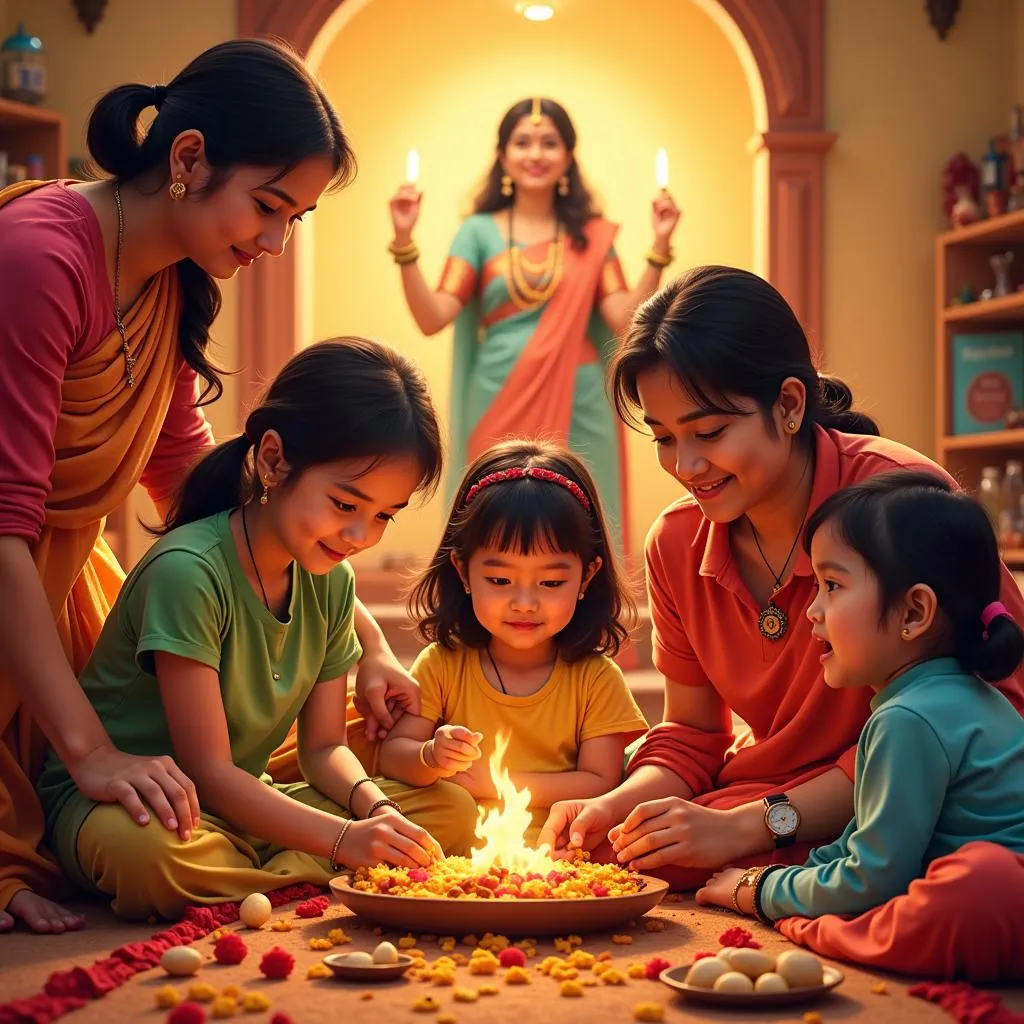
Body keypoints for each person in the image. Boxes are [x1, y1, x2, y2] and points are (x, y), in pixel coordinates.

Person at [0, 39, 407, 935]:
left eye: (293, 219)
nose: (273, 241)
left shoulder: (168, 281)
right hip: (11, 578)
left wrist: (367, 641)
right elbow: (3, 527)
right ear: (188, 157)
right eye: (267, 206)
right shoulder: (40, 257)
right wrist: (93, 750)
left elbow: (199, 477)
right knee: (127, 822)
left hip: (54, 585)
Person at [538, 265, 1024, 888]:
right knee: (636, 846)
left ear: (789, 404)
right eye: (663, 438)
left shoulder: (898, 500)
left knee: (958, 882)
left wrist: (748, 828)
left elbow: (978, 716)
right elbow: (691, 734)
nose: (686, 465)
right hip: (773, 795)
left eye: (709, 432)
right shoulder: (677, 541)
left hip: (915, 794)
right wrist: (620, 805)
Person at [35, 338, 478, 921]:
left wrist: (372, 809)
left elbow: (322, 750)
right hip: (139, 804)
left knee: (449, 809)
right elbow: (208, 771)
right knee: (148, 860)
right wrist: (343, 841)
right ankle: (308, 870)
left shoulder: (330, 580)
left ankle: (273, 871)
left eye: (383, 517)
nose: (360, 536)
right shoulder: (188, 573)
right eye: (346, 504)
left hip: (244, 797)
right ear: (273, 459)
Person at [696, 471, 1024, 982]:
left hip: (996, 901)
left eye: (832, 585)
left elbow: (874, 876)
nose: (812, 609)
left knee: (972, 886)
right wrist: (788, 876)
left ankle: (834, 933)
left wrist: (758, 891)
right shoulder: (952, 695)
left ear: (913, 612)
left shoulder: (907, 719)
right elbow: (859, 839)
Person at [386, 97, 681, 554]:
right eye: (522, 142)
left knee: (581, 518)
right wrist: (404, 243)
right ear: (503, 155)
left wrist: (659, 247)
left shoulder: (592, 235)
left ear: (568, 157)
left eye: (549, 143)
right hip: (497, 389)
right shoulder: (478, 232)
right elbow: (433, 316)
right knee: (496, 512)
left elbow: (624, 319)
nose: (536, 153)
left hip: (580, 397)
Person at [378, 440, 648, 843]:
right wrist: (430, 757)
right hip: (451, 843)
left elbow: (601, 780)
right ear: (463, 571)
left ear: (587, 577)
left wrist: (495, 780)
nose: (524, 603)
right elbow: (392, 755)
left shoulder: (595, 679)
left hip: (553, 847)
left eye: (551, 582)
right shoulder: (443, 664)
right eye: (500, 581)